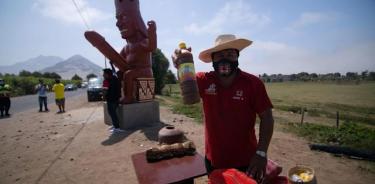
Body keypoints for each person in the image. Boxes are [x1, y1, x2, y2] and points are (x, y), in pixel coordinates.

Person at [172, 34, 274, 183]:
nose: (225, 59)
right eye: (219, 55)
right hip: (214, 159)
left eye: (230, 54)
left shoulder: (253, 83)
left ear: (237, 57)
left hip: (247, 160)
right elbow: (187, 86)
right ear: (212, 59)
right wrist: (181, 66)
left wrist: (261, 153)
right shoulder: (203, 80)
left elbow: (267, 117)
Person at [102, 68, 123, 133]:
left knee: (112, 113)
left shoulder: (106, 81)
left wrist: (103, 97)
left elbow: (105, 91)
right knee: (114, 113)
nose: (103, 75)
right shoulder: (116, 79)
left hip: (111, 100)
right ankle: (115, 125)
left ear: (107, 74)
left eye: (104, 74)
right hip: (117, 99)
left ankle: (117, 128)